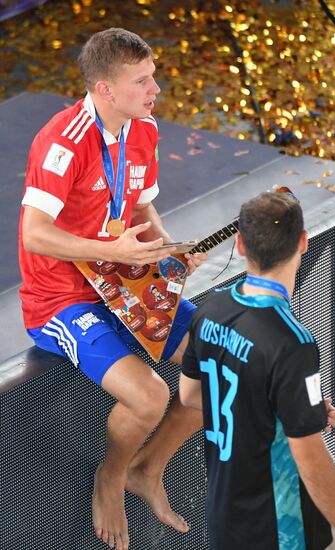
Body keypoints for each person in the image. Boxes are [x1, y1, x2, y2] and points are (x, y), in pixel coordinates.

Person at [18, 28, 208, 550]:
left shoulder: (141, 128)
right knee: (150, 396)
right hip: (62, 298)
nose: (156, 89)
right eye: (142, 80)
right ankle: (112, 475)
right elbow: (33, 232)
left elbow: (139, 206)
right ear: (104, 89)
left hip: (122, 279)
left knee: (216, 363)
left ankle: (148, 469)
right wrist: (118, 253)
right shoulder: (64, 141)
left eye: (153, 76)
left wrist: (167, 248)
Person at [179, 191, 335, 550]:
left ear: (240, 244)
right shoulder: (293, 343)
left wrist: (293, 410)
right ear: (303, 242)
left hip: (224, 519)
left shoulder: (211, 308)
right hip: (280, 530)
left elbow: (191, 394)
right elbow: (308, 456)